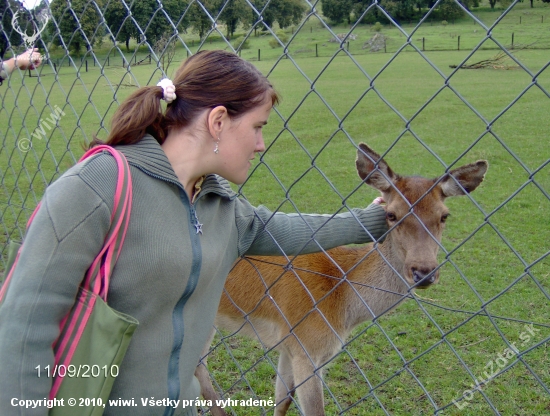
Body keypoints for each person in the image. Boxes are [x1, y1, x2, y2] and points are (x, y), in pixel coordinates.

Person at [0, 50, 387, 415]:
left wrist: (381, 219)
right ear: (218, 122)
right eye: (256, 128)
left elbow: (291, 228)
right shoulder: (95, 187)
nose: (261, 144)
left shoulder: (219, 206)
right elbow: (23, 329)